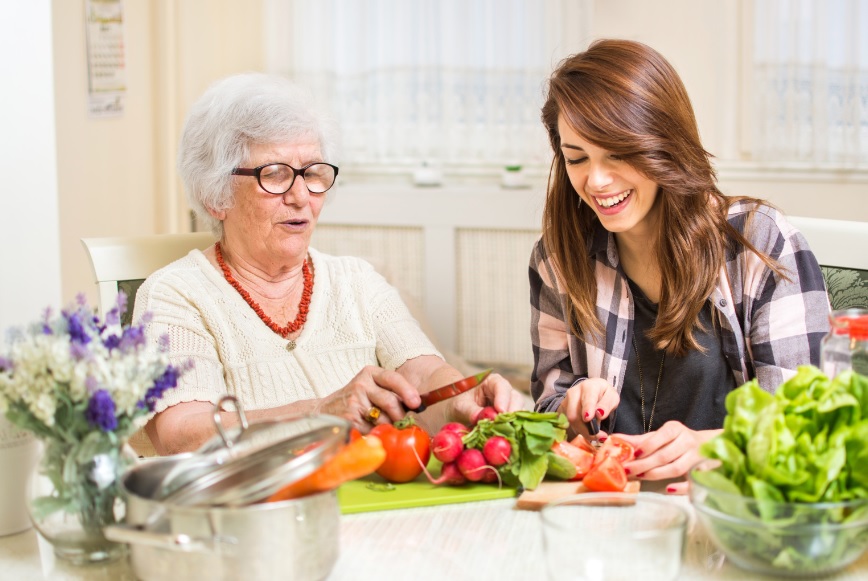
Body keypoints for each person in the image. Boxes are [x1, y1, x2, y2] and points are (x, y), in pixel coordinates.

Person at [134, 72, 526, 455]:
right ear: (214, 195)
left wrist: (460, 396)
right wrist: (320, 413)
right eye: (275, 174)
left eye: (313, 172)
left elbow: (422, 373)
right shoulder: (176, 295)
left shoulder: (357, 280)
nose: (302, 197)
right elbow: (181, 434)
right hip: (258, 511)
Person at [529, 39, 830, 492]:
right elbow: (548, 407)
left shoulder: (759, 242)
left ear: (662, 143)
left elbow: (807, 424)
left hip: (730, 514)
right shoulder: (557, 258)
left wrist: (716, 448)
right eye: (577, 158)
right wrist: (570, 406)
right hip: (607, 513)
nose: (596, 180)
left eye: (617, 152)